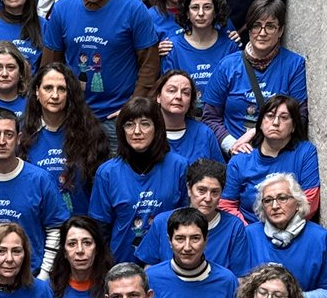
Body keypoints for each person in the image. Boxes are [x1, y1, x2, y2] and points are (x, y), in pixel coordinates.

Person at [43, 0, 160, 140]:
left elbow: (149, 64)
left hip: (118, 117)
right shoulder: (62, 9)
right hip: (73, 115)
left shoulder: (133, 9)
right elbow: (50, 66)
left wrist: (134, 106)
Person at [0, 109, 67, 275]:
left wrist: (44, 275)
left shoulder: (40, 180)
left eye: (8, 134)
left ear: (18, 139)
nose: (2, 141)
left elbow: (56, 228)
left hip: (32, 277)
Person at [202, 0, 307, 155]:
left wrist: (256, 132)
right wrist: (232, 145)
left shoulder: (294, 65)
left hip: (276, 156)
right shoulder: (228, 65)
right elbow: (210, 117)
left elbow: (300, 118)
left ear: (280, 31)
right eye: (256, 25)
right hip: (233, 157)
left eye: (270, 26)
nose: (262, 32)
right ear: (249, 29)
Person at [88, 97, 187, 263]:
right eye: (129, 125)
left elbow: (187, 220)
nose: (137, 131)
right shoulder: (107, 173)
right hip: (121, 265)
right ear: (121, 131)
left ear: (158, 127)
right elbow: (99, 228)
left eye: (145, 124)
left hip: (167, 265)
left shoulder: (179, 166)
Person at [244, 174, 327, 298]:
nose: (275, 206)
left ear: (297, 203)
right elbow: (239, 282)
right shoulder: (249, 235)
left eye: (282, 198)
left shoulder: (319, 238)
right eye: (268, 200)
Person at [19, 63, 109, 216]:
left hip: (79, 228)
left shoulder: (91, 133)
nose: (55, 95)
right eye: (48, 88)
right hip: (37, 226)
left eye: (61, 89)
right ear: (36, 91)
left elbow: (100, 191)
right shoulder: (21, 133)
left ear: (70, 94)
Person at [136, 158, 250, 276]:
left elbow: (240, 276)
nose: (208, 198)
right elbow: (149, 268)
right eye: (201, 190)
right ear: (189, 189)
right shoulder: (162, 222)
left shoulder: (233, 227)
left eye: (215, 192)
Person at [221, 94, 319, 223]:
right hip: (250, 231)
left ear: (294, 126)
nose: (276, 122)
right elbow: (227, 205)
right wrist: (250, 233)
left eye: (284, 117)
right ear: (260, 123)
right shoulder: (240, 160)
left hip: (293, 230)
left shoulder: (305, 152)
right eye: (270, 116)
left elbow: (310, 200)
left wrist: (282, 229)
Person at [146, 206, 238, 298]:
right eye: (180, 239)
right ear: (169, 241)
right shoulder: (152, 278)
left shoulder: (227, 281)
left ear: (206, 240)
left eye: (195, 238)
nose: (187, 247)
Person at [161, 0, 239, 101]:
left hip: (219, 116)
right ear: (187, 12)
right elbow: (168, 94)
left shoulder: (230, 46)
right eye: (195, 8)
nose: (201, 13)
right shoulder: (173, 47)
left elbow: (235, 93)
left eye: (207, 7)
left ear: (215, 11)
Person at [48, 215, 114, 298]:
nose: (80, 251)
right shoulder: (48, 290)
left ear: (97, 249)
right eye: (72, 244)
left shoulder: (113, 290)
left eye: (87, 243)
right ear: (64, 252)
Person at [154, 70, 224, 163]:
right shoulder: (146, 131)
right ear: (158, 96)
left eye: (186, 93)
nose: (178, 96)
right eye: (172, 90)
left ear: (191, 101)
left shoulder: (204, 134)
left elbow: (220, 174)